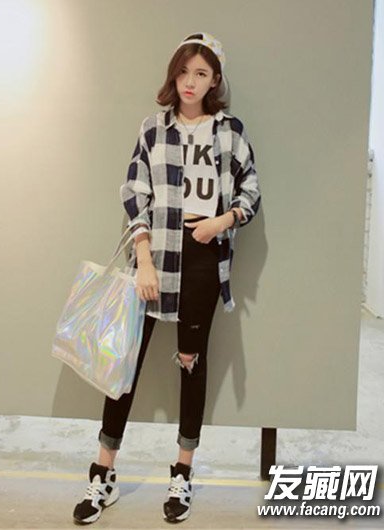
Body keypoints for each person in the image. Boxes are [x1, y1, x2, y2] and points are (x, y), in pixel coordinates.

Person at [73, 31, 261, 525]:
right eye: (183, 71)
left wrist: (223, 221)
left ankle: (182, 472)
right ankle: (103, 473)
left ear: (215, 80)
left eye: (201, 73)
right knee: (125, 365)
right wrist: (143, 256)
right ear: (173, 75)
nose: (190, 82)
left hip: (203, 258)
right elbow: (134, 192)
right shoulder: (153, 129)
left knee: (191, 364)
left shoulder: (230, 131)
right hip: (154, 257)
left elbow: (250, 189)